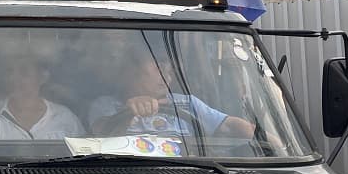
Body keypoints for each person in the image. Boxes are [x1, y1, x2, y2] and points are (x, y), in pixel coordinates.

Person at [88, 52, 254, 140]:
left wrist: (273, 144)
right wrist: (128, 114)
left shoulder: (187, 102)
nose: (167, 76)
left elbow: (228, 126)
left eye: (170, 71)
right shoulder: (105, 106)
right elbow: (101, 135)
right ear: (131, 70)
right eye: (160, 67)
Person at [0, 55, 84, 140]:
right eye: (9, 71)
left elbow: (82, 156)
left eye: (23, 72)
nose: (13, 78)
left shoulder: (64, 116)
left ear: (43, 77)